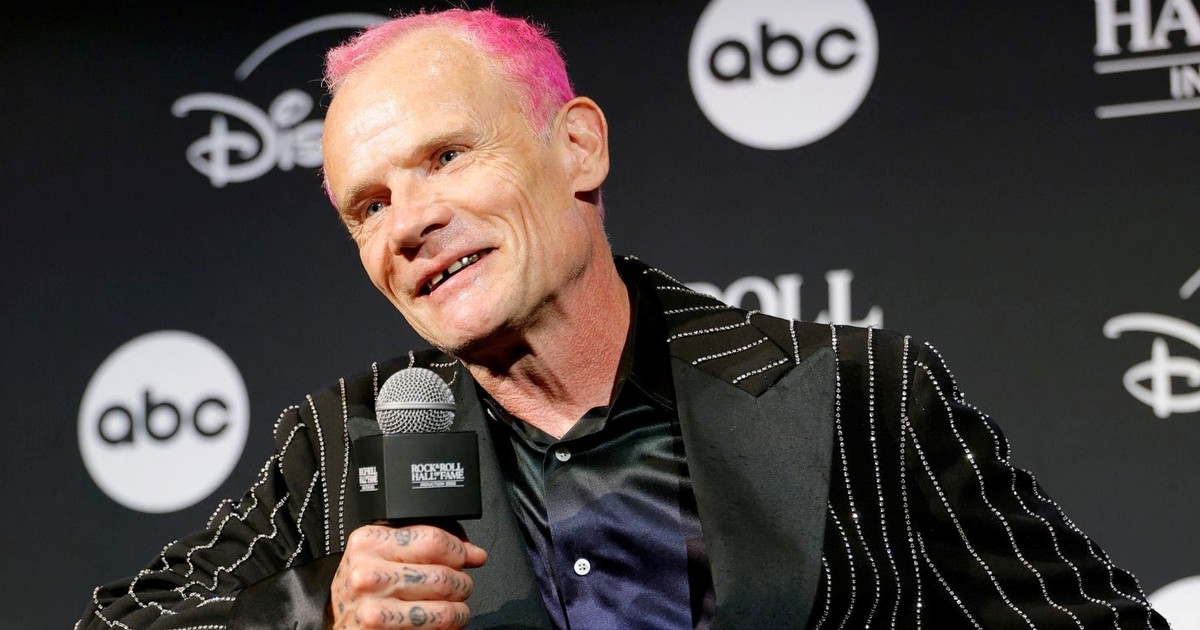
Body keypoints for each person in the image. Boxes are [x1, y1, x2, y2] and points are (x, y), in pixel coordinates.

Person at [78, 7, 1170, 629]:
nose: (407, 223)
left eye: (446, 157)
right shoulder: (342, 450)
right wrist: (313, 609)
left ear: (578, 147)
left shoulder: (859, 399)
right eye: (368, 207)